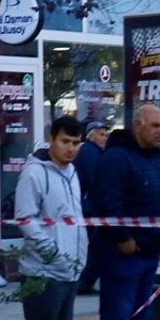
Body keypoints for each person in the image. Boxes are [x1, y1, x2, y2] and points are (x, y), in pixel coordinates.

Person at [91, 106, 160, 320]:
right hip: (124, 253)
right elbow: (108, 203)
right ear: (138, 126)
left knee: (141, 316)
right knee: (119, 314)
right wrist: (123, 238)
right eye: (155, 125)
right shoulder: (116, 159)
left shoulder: (157, 160)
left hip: (149, 252)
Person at [15, 116, 88, 320]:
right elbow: (25, 220)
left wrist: (78, 257)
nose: (71, 149)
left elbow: (74, 217)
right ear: (51, 139)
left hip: (70, 268)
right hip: (43, 271)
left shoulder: (72, 172)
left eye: (76, 143)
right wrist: (54, 254)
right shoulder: (34, 174)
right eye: (65, 142)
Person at [74, 121, 108, 295]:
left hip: (87, 207)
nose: (105, 138)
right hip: (87, 209)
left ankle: (85, 281)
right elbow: (97, 181)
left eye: (106, 135)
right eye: (101, 134)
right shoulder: (90, 152)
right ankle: (84, 282)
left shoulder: (92, 151)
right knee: (95, 247)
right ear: (91, 135)